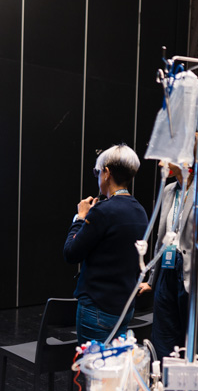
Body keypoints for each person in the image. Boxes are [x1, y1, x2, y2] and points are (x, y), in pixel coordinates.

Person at [142, 161, 198, 361]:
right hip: (166, 272)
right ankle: (163, 381)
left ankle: (193, 384)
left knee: (195, 348)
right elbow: (163, 237)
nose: (160, 163)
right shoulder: (169, 190)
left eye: (166, 157)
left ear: (185, 159)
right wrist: (153, 279)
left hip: (197, 277)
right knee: (163, 341)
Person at [63, 144, 147, 345]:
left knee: (94, 363)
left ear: (107, 173)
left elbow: (71, 253)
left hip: (97, 306)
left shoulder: (102, 211)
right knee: (115, 362)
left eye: (98, 172)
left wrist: (80, 218)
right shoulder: (140, 211)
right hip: (124, 306)